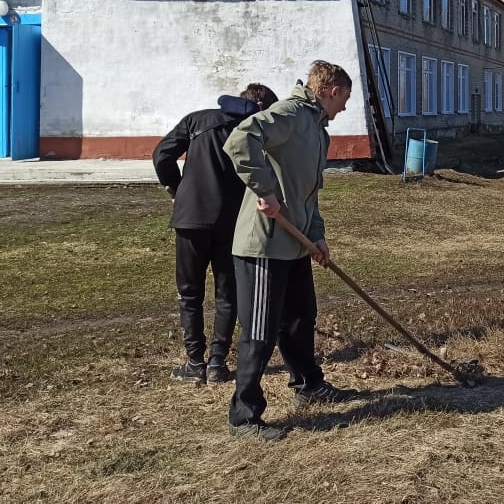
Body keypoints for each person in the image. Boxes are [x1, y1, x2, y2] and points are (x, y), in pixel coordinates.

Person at [222, 60, 357, 441]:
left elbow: (309, 196)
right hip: (265, 243)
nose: (345, 107)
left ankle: (308, 384)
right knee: (261, 331)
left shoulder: (318, 131)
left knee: (300, 318)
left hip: (296, 243)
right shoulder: (290, 113)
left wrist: (318, 236)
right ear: (331, 92)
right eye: (345, 98)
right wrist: (264, 189)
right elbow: (239, 140)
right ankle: (244, 416)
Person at [153, 83, 279, 385]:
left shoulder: (197, 120)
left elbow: (161, 155)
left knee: (189, 292)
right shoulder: (255, 131)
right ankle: (217, 363)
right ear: (260, 105)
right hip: (230, 220)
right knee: (227, 293)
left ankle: (195, 361)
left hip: (190, 218)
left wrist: (177, 187)